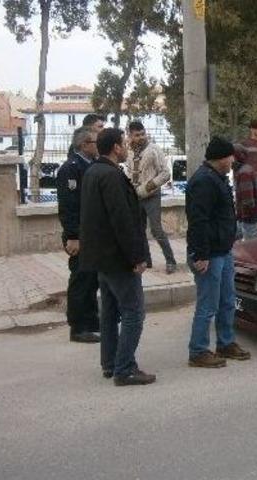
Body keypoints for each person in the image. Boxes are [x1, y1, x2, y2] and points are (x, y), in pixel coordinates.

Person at [79, 128, 155, 386]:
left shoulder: (93, 172)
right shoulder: (111, 176)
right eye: (124, 143)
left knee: (110, 313)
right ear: (115, 148)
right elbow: (122, 221)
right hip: (117, 259)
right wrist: (137, 257)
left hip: (102, 258)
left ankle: (110, 363)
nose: (127, 147)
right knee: (134, 313)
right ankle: (124, 368)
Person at [186, 136, 251, 368]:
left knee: (227, 300)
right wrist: (200, 255)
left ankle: (225, 343)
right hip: (209, 254)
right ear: (221, 158)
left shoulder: (219, 178)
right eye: (230, 156)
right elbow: (198, 221)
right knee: (208, 305)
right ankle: (198, 351)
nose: (233, 160)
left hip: (223, 250)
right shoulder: (204, 181)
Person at [56, 127, 101, 344]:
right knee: (81, 280)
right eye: (95, 142)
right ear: (84, 145)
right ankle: (78, 327)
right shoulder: (71, 168)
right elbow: (69, 206)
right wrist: (73, 236)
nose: (98, 145)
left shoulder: (91, 165)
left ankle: (91, 322)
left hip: (92, 234)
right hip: (79, 235)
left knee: (92, 280)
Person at [127, 121, 177, 274]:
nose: (141, 137)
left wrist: (147, 187)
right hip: (135, 197)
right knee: (138, 230)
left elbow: (165, 173)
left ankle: (170, 261)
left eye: (143, 134)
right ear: (130, 136)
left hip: (151, 196)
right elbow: (130, 172)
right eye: (137, 135)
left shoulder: (154, 149)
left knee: (156, 230)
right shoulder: (129, 151)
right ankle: (146, 260)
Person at [233, 144, 257, 240]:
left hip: (251, 219)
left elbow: (248, 201)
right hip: (250, 217)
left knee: (252, 249)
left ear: (235, 157)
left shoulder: (244, 174)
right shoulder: (245, 169)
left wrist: (244, 217)